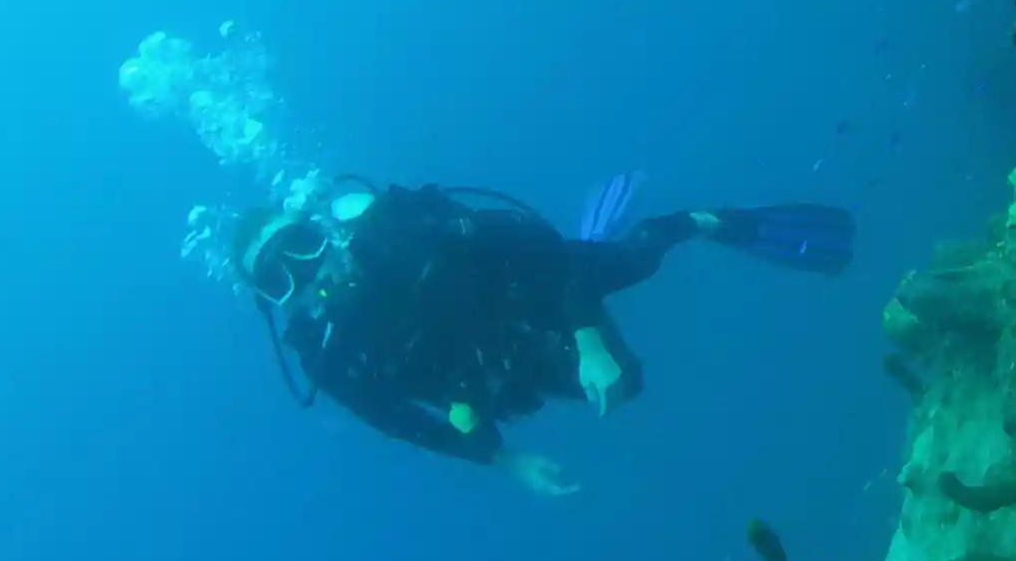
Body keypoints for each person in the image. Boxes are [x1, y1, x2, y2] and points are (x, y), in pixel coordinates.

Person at [233, 176, 856, 496]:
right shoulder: (332, 357)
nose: (310, 273)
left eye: (306, 246)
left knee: (630, 269)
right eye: (282, 278)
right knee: (624, 388)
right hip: (497, 374)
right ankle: (592, 326)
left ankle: (701, 221)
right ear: (274, 303)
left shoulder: (401, 237)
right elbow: (400, 422)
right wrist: (505, 461)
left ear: (323, 229)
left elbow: (539, 250)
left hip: (547, 288)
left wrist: (586, 338)